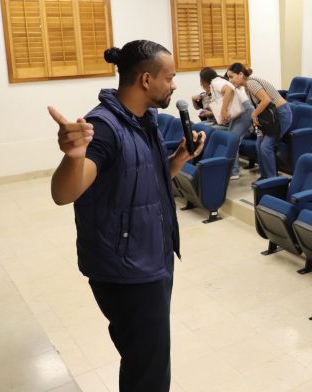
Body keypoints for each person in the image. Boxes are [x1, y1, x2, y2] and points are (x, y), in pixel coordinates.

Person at [48, 40, 206, 392]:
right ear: (147, 80)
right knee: (148, 371)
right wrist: (74, 156)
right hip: (128, 269)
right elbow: (63, 193)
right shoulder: (103, 128)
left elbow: (144, 180)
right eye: (170, 77)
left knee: (144, 360)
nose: (175, 85)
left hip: (150, 256)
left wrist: (178, 160)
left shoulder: (143, 120)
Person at [226, 63, 292, 179]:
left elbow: (266, 100)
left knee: (265, 146)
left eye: (232, 77)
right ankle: (264, 176)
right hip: (268, 117)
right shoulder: (246, 87)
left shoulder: (251, 83)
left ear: (240, 74)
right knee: (258, 143)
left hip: (280, 115)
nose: (230, 80)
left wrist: (254, 114)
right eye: (228, 78)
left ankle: (271, 179)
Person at [199, 67, 253, 178]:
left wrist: (223, 110)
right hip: (242, 111)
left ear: (204, 80)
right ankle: (232, 171)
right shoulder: (218, 82)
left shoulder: (216, 83)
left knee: (232, 140)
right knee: (230, 138)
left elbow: (229, 90)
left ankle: (234, 172)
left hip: (245, 111)